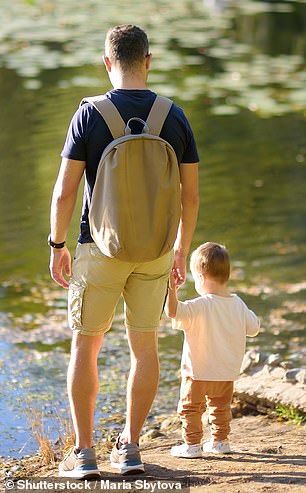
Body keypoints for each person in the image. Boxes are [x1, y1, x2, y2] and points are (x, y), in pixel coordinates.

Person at [49, 24, 199, 478]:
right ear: (148, 61)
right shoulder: (174, 116)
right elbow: (189, 197)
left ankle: (84, 453)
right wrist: (180, 249)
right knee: (145, 347)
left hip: (99, 248)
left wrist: (57, 245)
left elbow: (63, 193)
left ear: (107, 63)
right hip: (155, 251)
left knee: (86, 346)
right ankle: (131, 448)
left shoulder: (89, 115)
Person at [165, 242, 259, 458]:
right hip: (226, 373)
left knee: (190, 408)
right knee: (220, 408)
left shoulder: (199, 305)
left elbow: (173, 312)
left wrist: (171, 287)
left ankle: (192, 445)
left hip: (197, 372)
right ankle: (220, 441)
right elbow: (254, 328)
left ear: (201, 277)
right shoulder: (238, 304)